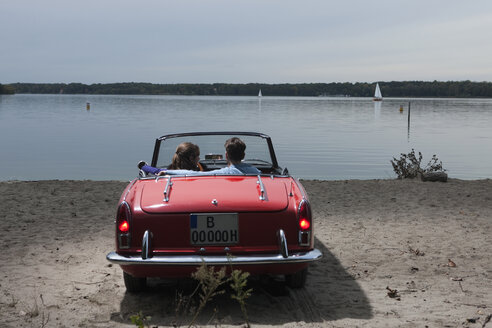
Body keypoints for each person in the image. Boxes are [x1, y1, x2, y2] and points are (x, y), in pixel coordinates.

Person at [140, 137, 260, 176]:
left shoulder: (223, 173)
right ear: (243, 155)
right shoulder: (257, 172)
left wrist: (168, 173)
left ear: (226, 155)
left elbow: (194, 174)